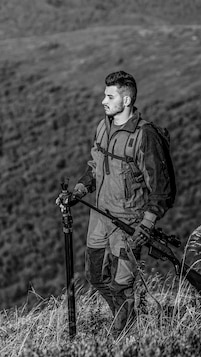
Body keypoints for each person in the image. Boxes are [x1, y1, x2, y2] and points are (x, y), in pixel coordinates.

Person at [57, 71, 174, 336]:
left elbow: (162, 190)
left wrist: (147, 224)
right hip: (100, 217)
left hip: (129, 223)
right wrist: (78, 191)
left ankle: (121, 336)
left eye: (110, 96)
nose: (103, 101)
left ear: (127, 99)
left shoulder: (145, 137)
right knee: (95, 276)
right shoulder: (103, 127)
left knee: (122, 284)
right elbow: (95, 167)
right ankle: (124, 318)